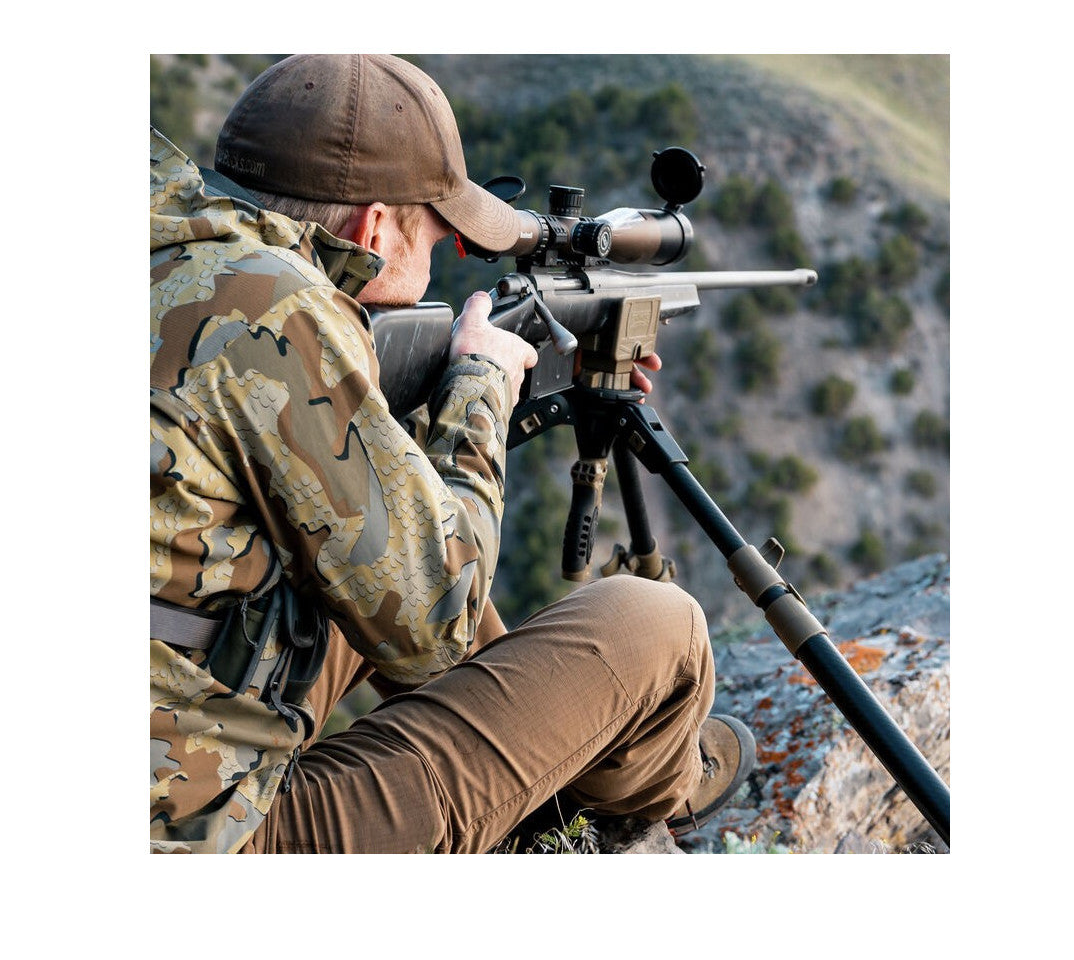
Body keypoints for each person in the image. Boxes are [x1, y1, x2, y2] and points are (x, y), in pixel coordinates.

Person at [150, 53, 755, 853]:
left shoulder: (172, 251)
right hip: (195, 833)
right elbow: (436, 613)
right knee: (660, 625)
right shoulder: (276, 310)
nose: (438, 262)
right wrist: (481, 384)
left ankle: (552, 745)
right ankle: (650, 784)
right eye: (436, 239)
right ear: (372, 229)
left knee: (364, 548)